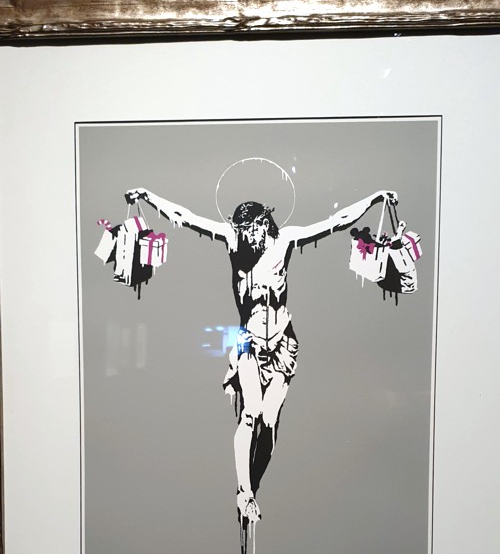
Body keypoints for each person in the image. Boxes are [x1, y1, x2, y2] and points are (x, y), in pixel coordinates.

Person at [125, 185, 398, 526]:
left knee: (269, 422)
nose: (245, 237)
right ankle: (244, 493)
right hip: (248, 342)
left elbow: (336, 222)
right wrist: (148, 197)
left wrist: (374, 199)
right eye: (240, 231)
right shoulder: (233, 240)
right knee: (250, 414)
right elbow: (187, 217)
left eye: (249, 230)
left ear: (263, 223)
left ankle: (253, 486)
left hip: (283, 342)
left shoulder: (285, 241)